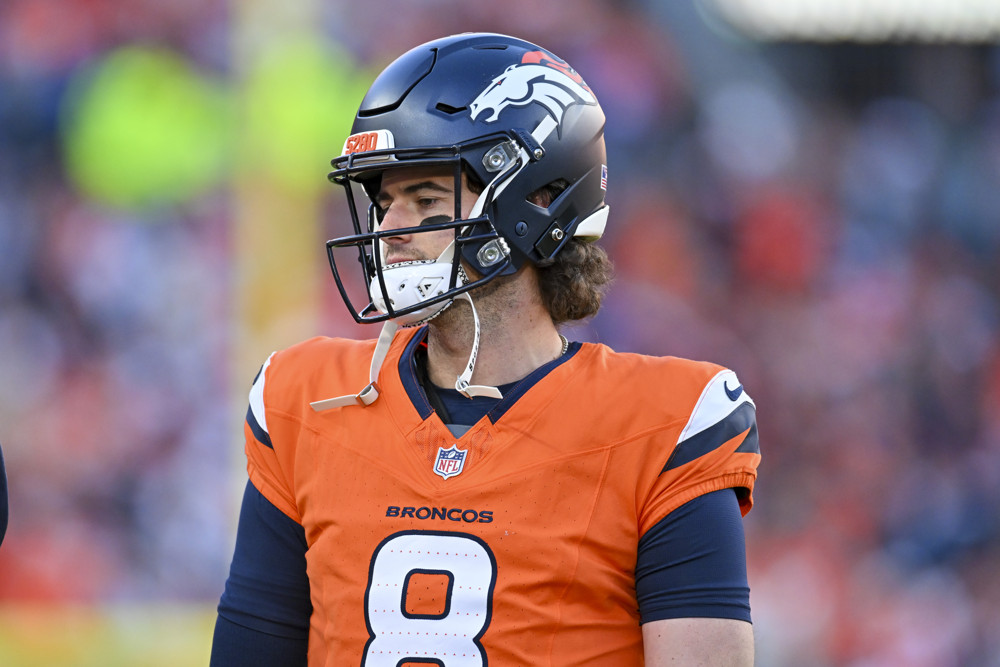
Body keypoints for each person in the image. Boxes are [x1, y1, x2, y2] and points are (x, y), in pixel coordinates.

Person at [211, 32, 760, 666]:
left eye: (425, 200)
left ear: (538, 203)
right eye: (384, 202)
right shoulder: (304, 399)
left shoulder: (666, 423)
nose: (389, 232)